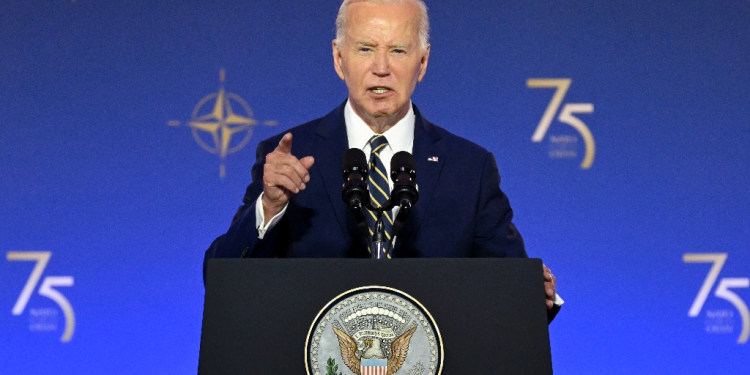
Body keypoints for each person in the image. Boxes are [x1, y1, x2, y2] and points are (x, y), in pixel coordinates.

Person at [204, 0, 561, 318]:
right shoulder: (289, 155)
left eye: (398, 51)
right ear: (338, 58)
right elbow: (220, 278)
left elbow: (511, 292)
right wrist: (269, 207)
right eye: (365, 48)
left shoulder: (470, 167)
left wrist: (534, 294)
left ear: (422, 63)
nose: (381, 67)